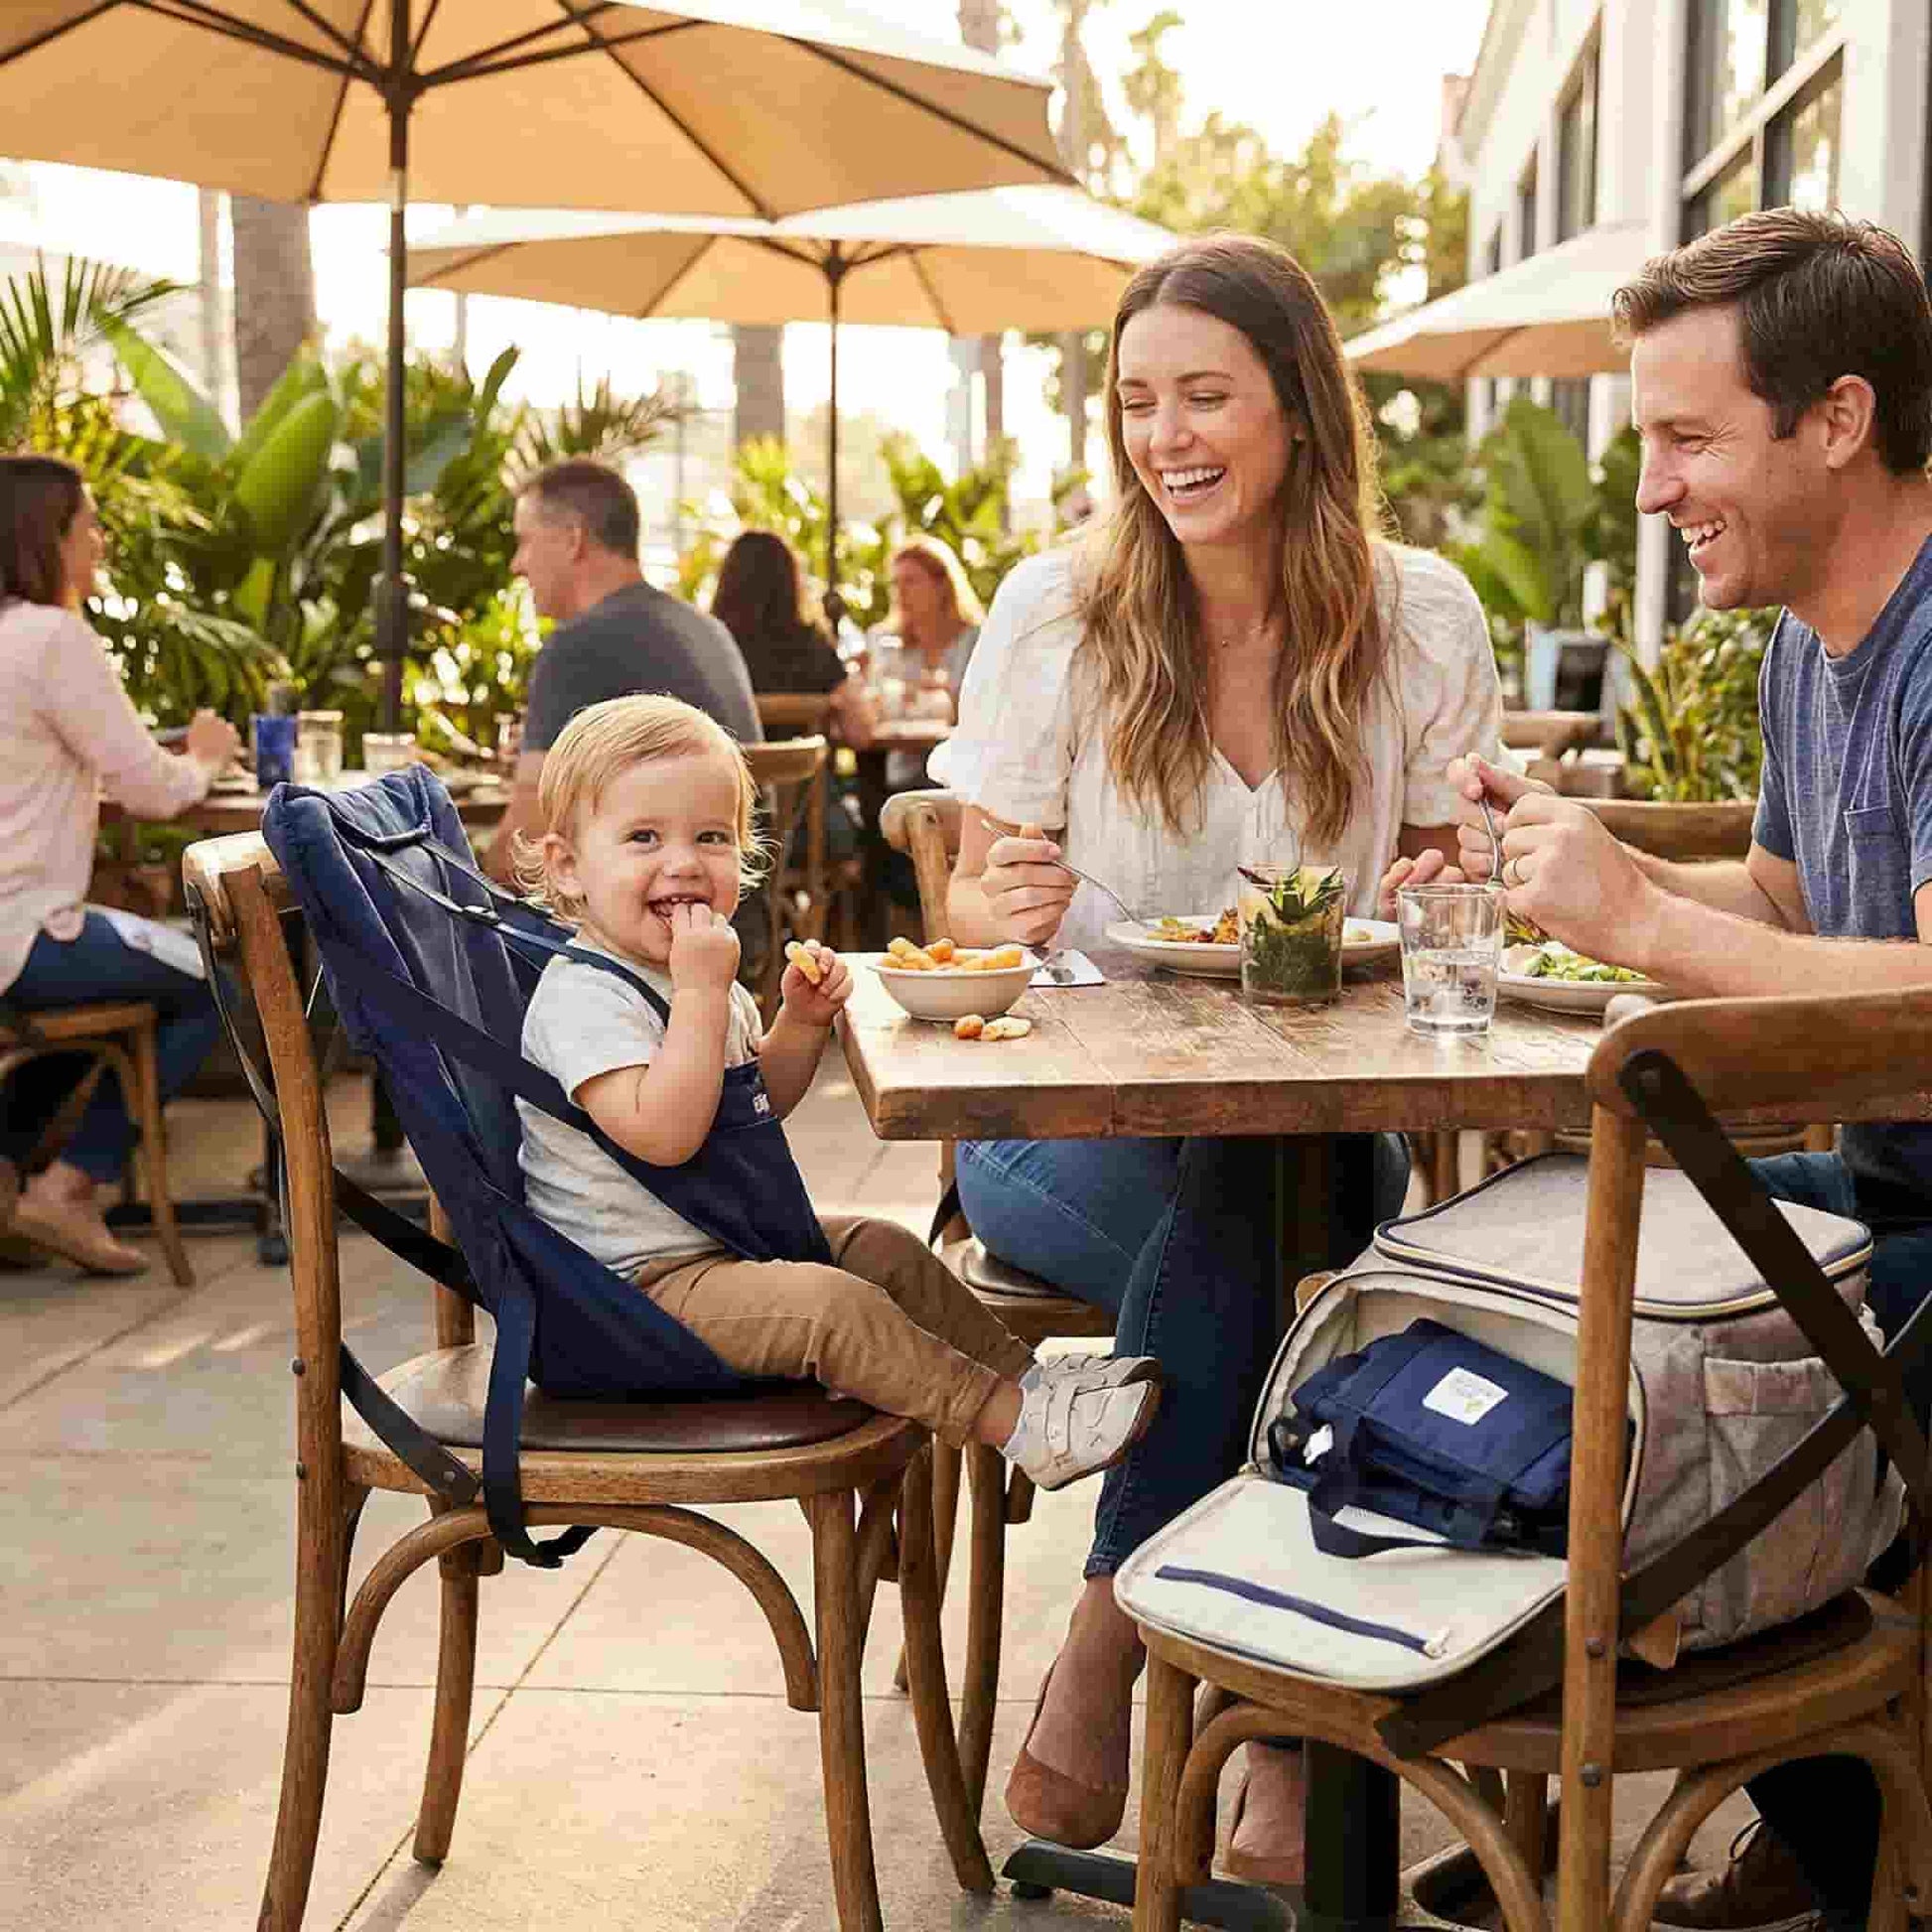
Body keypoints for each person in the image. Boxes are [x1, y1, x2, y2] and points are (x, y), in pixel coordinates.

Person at [931, 233, 1504, 1875]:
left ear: (1301, 412)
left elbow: (1456, 882)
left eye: (1204, 397)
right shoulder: (1061, 609)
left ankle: (1116, 1630)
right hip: (1067, 1123)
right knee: (1319, 1263)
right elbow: (977, 904)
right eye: (1135, 403)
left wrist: (1446, 882)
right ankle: (1268, 1719)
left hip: (1316, 1121)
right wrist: (999, 887)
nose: (1164, 439)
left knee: (1281, 1175)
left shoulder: (1415, 617)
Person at [1416, 208, 1932, 1932]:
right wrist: (1587, 862)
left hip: (1925, 1221)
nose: (1651, 489)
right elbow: (1787, 900)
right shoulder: (1812, 640)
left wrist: (1635, 914)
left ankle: (1846, 1811)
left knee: (1626, 1360)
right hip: (1882, 1186)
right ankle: (1818, 1801)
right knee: (1492, 1264)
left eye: (1686, 438)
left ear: (1837, 421)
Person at [510, 691, 1163, 1493]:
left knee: (878, 1247)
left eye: (710, 837)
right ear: (570, 866)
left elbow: (749, 1108)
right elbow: (664, 1135)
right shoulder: (587, 996)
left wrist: (797, 1024)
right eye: (644, 837)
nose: (683, 862)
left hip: (717, 1250)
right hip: (629, 1300)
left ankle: (1031, 1381)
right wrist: (702, 996)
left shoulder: (689, 978)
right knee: (829, 1305)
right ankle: (1012, 1423)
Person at [0, 455, 239, 1274]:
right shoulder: (52, 636)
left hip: (18, 936)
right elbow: (155, 795)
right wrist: (205, 756)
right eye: (88, 524)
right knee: (222, 981)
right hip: (24, 932)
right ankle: (68, 1189)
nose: (99, 541)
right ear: (44, 536)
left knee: (108, 988)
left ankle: (8, 1178)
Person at [484, 460, 760, 885]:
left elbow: (525, 845)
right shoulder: (708, 628)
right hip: (734, 903)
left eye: (524, 542)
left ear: (572, 539)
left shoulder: (577, 646)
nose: (516, 564)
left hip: (647, 921)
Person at [709, 527, 877, 747]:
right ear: (791, 582)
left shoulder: (709, 643)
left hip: (725, 777)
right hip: (795, 777)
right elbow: (860, 733)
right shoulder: (811, 647)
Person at [879, 535, 981, 789]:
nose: (900, 592)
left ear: (942, 585)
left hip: (960, 773)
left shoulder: (975, 640)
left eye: (911, 581)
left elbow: (981, 708)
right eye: (895, 583)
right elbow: (881, 709)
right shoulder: (891, 644)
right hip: (904, 773)